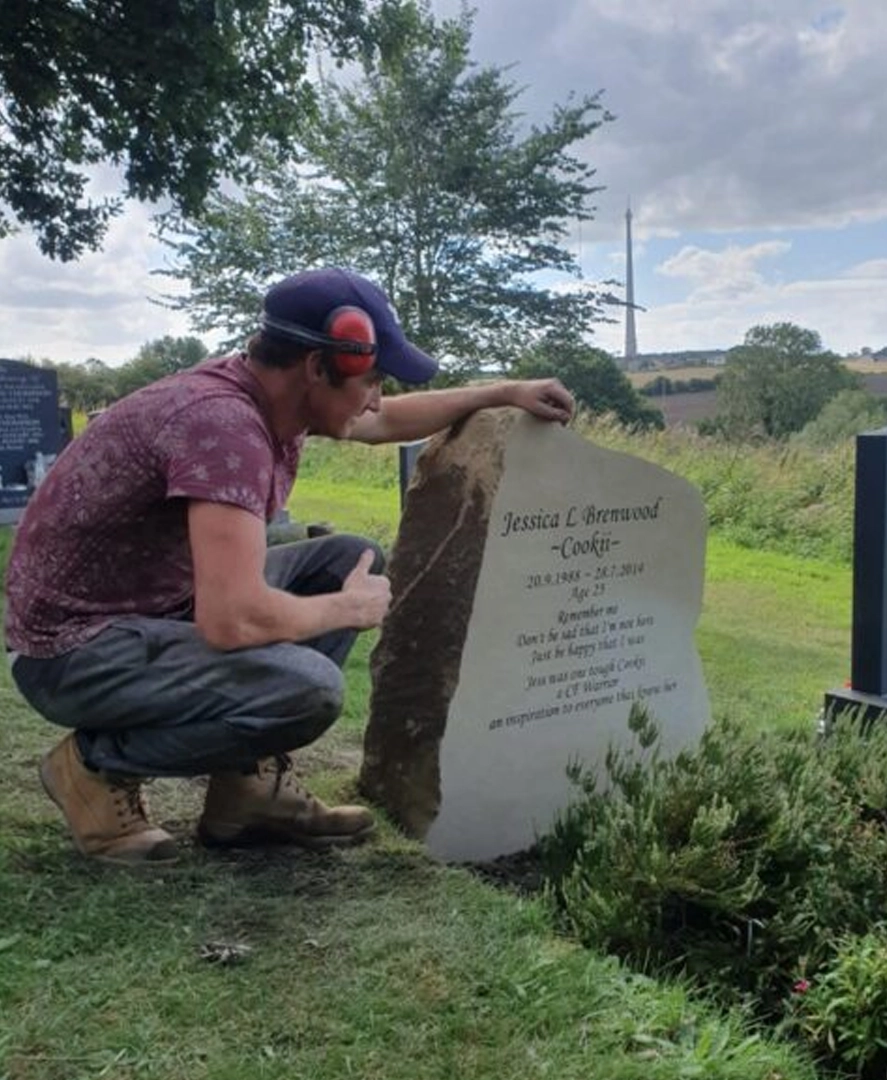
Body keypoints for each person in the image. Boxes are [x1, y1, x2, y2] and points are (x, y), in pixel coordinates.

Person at [3, 267, 574, 865]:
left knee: (347, 559)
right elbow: (232, 620)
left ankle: (247, 793)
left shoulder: (272, 397)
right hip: (72, 651)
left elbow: (382, 422)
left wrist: (501, 392)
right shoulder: (224, 427)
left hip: (152, 607)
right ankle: (93, 767)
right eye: (373, 379)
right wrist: (347, 609)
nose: (376, 396)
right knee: (308, 690)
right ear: (318, 366)